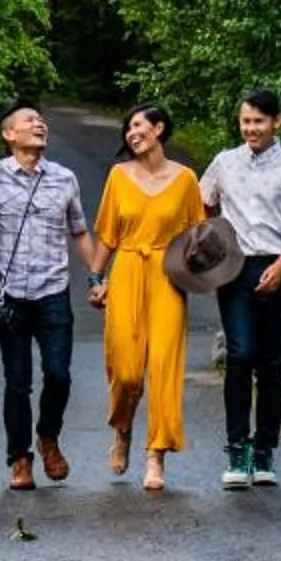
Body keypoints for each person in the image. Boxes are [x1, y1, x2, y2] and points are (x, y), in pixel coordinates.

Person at [197, 85, 281, 489]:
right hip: (234, 268)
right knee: (240, 353)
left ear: (277, 122)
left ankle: (265, 449)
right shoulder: (225, 162)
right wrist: (213, 238)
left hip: (275, 266)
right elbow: (202, 202)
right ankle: (237, 448)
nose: (251, 128)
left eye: (259, 122)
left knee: (270, 361)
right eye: (246, 121)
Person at [0, 103, 103, 491]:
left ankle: (48, 436)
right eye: (29, 121)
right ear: (8, 134)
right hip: (9, 293)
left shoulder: (64, 178)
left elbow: (80, 232)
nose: (39, 124)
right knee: (17, 381)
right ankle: (19, 458)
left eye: (41, 120)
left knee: (59, 375)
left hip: (53, 292)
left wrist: (97, 276)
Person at [91, 103, 203, 493]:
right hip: (126, 271)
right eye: (128, 128)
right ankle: (122, 428)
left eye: (138, 125)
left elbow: (199, 236)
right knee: (125, 369)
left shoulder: (187, 179)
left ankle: (156, 454)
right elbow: (106, 234)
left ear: (159, 128)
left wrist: (200, 273)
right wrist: (95, 277)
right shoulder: (119, 176)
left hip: (168, 277)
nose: (131, 133)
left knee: (164, 366)